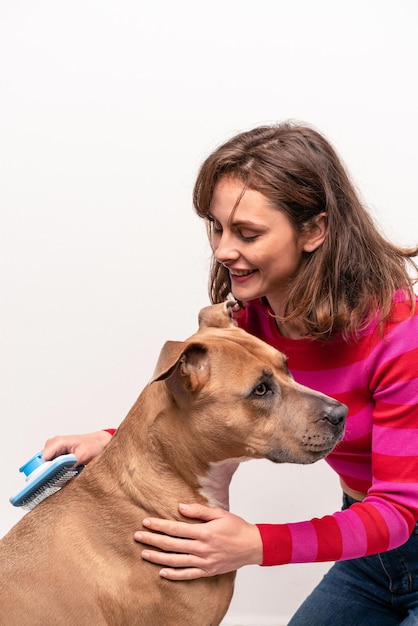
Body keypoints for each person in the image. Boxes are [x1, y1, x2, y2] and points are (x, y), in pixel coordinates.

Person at [42, 121, 418, 624]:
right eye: (217, 227)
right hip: (371, 554)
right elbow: (216, 404)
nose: (221, 249)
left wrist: (253, 543)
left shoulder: (401, 335)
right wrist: (115, 438)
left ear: (314, 230)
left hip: (393, 526)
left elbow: (397, 512)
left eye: (247, 233)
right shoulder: (253, 319)